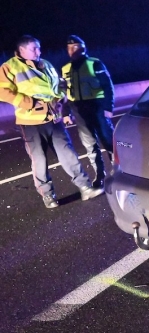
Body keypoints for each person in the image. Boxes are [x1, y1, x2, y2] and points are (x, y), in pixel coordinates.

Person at [0, 35, 104, 208]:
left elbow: (59, 85)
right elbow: (3, 91)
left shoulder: (46, 64)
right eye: (34, 48)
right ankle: (48, 196)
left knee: (68, 154)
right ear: (22, 50)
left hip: (53, 118)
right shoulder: (10, 67)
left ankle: (85, 188)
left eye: (39, 48)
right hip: (30, 121)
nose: (38, 51)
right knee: (39, 160)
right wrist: (29, 102)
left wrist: (61, 101)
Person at [62, 35, 115, 189]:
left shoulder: (95, 64)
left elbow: (107, 85)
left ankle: (118, 171)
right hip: (79, 110)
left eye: (76, 47)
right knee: (90, 144)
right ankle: (100, 175)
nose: (73, 50)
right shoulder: (66, 69)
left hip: (97, 107)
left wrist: (108, 108)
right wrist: (66, 113)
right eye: (70, 48)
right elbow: (64, 93)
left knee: (108, 141)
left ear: (83, 48)